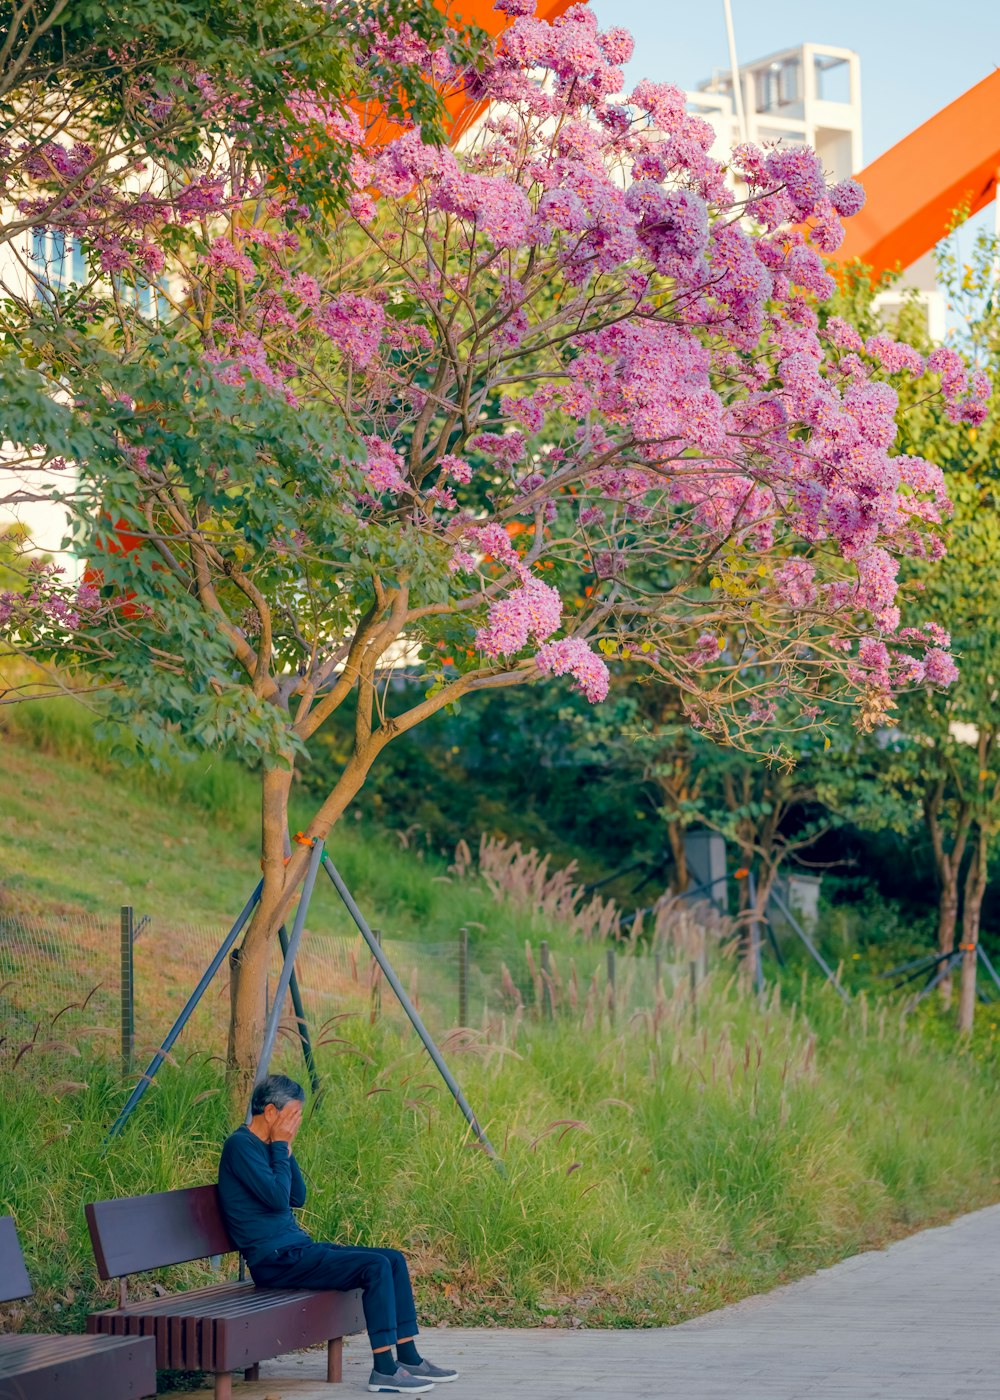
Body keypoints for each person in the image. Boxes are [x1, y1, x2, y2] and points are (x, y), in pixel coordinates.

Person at [218, 1073, 459, 1394]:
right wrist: (279, 1145)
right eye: (293, 1115)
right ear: (271, 1113)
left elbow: (296, 1197)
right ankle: (385, 1369)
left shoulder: (270, 1146)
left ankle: (409, 1357)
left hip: (294, 1250)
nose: (296, 1123)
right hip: (273, 1260)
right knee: (373, 1267)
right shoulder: (240, 1145)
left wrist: (285, 1149)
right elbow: (277, 1197)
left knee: (393, 1259)